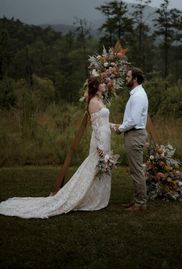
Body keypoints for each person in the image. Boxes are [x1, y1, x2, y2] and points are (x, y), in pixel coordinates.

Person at [0, 77, 116, 219]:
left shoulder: (101, 100)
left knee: (102, 167)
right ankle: (80, 197)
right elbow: (96, 126)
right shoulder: (92, 102)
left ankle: (97, 197)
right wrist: (100, 146)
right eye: (102, 83)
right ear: (96, 87)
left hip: (106, 136)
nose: (105, 85)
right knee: (94, 167)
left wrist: (113, 126)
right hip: (100, 140)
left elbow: (103, 121)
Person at [114, 67, 148, 211]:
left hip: (135, 135)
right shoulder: (136, 94)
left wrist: (120, 129)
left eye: (128, 76)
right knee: (135, 170)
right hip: (133, 134)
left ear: (135, 79)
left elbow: (133, 120)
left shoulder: (138, 95)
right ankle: (137, 200)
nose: (126, 78)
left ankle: (140, 203)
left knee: (136, 170)